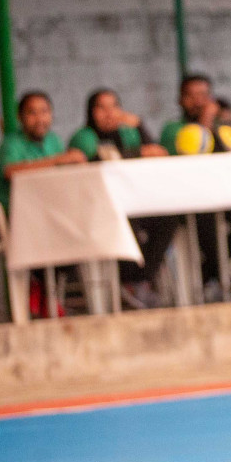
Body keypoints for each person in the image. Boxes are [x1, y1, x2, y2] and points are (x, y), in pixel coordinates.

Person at [70, 89, 173, 308]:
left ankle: (140, 278)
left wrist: (140, 126)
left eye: (113, 106)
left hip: (136, 202)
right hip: (99, 208)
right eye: (101, 107)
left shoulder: (128, 133)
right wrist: (138, 153)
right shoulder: (85, 136)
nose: (109, 113)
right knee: (126, 225)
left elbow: (154, 152)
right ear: (91, 111)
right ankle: (131, 281)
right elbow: (96, 160)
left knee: (169, 219)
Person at [160, 73, 231, 296]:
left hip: (225, 194)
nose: (198, 101)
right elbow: (193, 147)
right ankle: (223, 277)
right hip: (189, 200)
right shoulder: (172, 129)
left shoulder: (222, 127)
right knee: (206, 221)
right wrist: (205, 122)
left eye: (202, 95)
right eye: (191, 96)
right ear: (180, 100)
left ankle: (208, 272)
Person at [0, 91, 86, 317]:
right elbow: (10, 171)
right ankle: (40, 290)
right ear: (20, 117)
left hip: (50, 211)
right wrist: (58, 160)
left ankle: (46, 291)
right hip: (19, 217)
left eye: (44, 112)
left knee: (79, 233)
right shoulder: (12, 143)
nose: (39, 118)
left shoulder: (53, 140)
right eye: (31, 112)